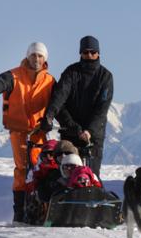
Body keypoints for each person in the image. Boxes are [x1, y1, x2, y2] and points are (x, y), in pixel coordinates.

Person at [0, 42, 55, 222]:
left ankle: (41, 211)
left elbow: (58, 103)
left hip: (39, 132)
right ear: (27, 56)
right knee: (22, 170)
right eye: (33, 55)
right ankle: (19, 213)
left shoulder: (50, 81)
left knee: (42, 169)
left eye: (40, 56)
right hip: (18, 131)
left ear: (45, 59)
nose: (36, 59)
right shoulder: (14, 76)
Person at [40, 35, 113, 178]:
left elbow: (102, 109)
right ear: (80, 53)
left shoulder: (105, 77)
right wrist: (50, 116)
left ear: (98, 53)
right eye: (85, 52)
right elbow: (59, 98)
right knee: (67, 173)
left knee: (92, 175)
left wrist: (89, 131)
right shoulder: (71, 73)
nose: (89, 55)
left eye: (93, 52)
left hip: (93, 135)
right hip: (70, 132)